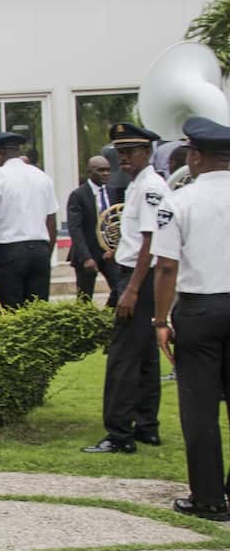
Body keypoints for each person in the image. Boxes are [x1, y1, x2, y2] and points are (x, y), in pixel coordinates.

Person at [152, 117, 230, 520]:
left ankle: (209, 498)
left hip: (200, 308)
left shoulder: (179, 200)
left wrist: (160, 320)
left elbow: (166, 267)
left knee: (199, 409)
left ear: (197, 156)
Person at [84, 123, 167, 454]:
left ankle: (119, 434)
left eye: (130, 152)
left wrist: (131, 290)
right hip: (137, 273)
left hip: (138, 275)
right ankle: (147, 426)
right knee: (145, 355)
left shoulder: (149, 187)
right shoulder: (140, 184)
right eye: (120, 153)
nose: (124, 159)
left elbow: (149, 241)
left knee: (122, 356)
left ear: (147, 152)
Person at [0, 131, 58, 309]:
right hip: (40, 252)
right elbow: (51, 223)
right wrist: (46, 256)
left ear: (0, 153)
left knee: (10, 313)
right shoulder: (42, 176)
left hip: (10, 253)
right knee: (38, 314)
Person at [66, 155, 123, 305]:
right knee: (84, 298)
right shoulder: (78, 195)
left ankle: (106, 319)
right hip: (88, 251)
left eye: (108, 170)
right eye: (100, 170)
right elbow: (75, 228)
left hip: (109, 252)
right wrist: (86, 257)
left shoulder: (114, 192)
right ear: (90, 171)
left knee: (120, 288)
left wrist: (116, 249)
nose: (105, 174)